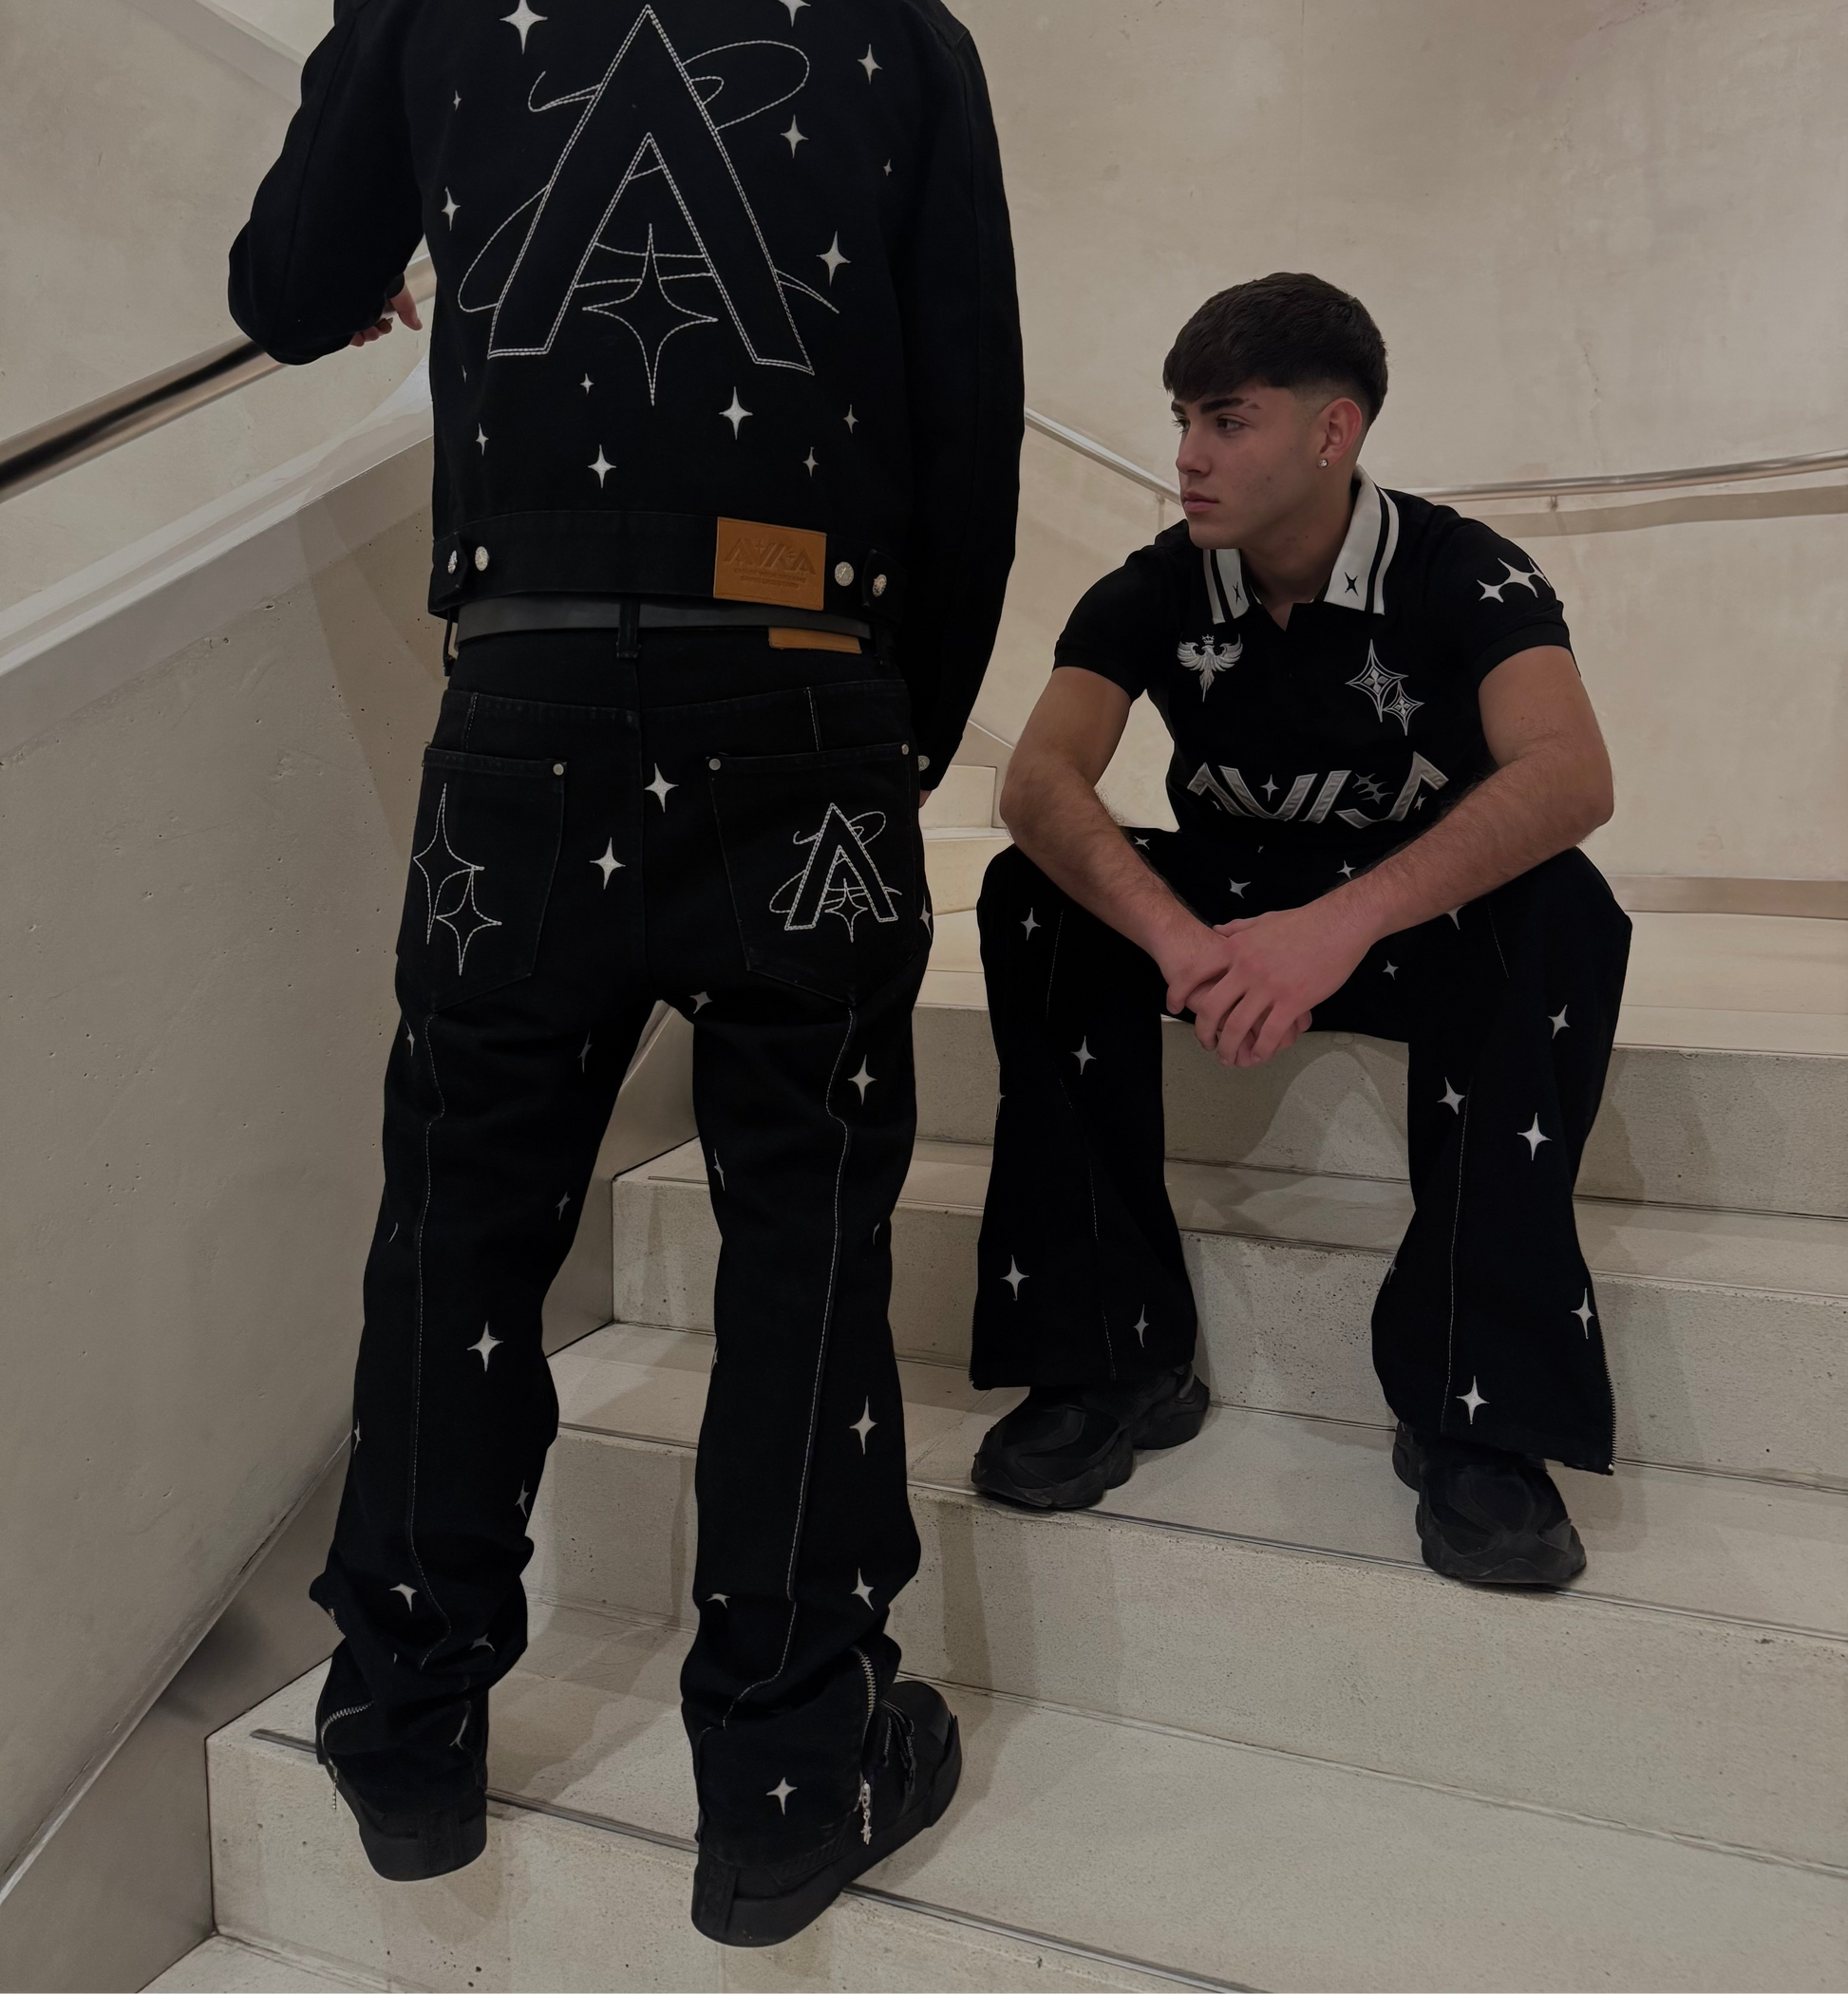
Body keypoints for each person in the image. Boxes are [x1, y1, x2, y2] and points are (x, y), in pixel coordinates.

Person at [227, 0, 1022, 1944]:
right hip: (806, 687)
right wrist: (890, 739)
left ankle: (403, 1726)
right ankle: (784, 1779)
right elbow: (968, 421)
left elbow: (288, 287)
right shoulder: (900, 32)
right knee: (806, 1243)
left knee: (461, 1227)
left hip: (526, 700)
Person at [970, 273, 1629, 1590]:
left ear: (1334, 433)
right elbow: (1038, 780)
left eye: (1227, 421)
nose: (1187, 457)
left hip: (1399, 915)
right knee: (1028, 893)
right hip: (1223, 921)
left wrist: (1335, 925)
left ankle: (1475, 1410)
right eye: (1181, 420)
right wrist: (1176, 940)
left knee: (1560, 904)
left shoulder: (1459, 569)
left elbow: (1571, 774)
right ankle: (1110, 1360)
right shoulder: (1156, 584)